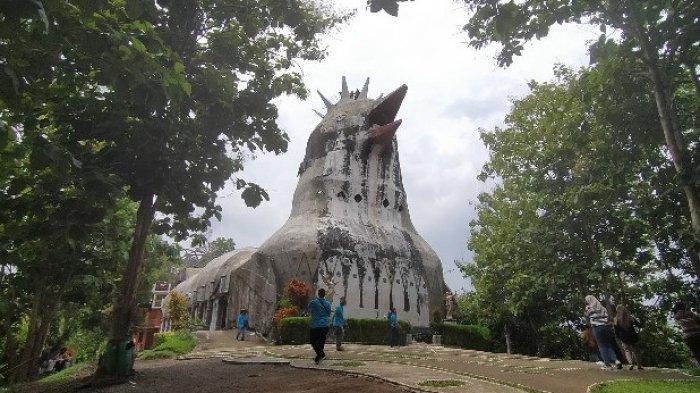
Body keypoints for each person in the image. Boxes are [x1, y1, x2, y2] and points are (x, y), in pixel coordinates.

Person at [585, 295, 621, 369]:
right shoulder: (603, 308)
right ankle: (616, 360)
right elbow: (607, 318)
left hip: (597, 328)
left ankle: (607, 364)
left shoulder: (589, 308)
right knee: (608, 344)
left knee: (601, 345)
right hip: (606, 327)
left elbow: (587, 315)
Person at [614, 305, 642, 370]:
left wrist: (618, 337)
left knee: (627, 350)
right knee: (636, 351)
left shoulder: (616, 319)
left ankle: (630, 363)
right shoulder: (630, 317)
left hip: (624, 337)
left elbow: (616, 331)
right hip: (632, 336)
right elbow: (639, 325)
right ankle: (639, 365)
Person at [308, 288, 331, 364]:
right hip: (325, 325)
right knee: (321, 342)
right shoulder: (328, 303)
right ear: (324, 294)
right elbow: (328, 314)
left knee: (313, 341)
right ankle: (318, 358)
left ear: (318, 294)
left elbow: (308, 309)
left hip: (315, 325)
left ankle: (321, 354)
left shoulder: (313, 302)